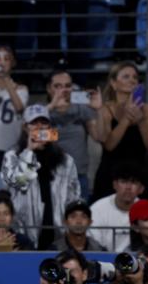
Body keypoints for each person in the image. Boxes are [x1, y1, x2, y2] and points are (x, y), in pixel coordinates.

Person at [1, 104, 80, 250]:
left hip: (58, 233)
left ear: (50, 128)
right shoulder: (11, 156)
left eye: (44, 123)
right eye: (34, 123)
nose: (39, 128)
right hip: (23, 233)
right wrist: (29, 151)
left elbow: (73, 197)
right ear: (25, 127)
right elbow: (18, 183)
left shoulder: (66, 161)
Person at [92, 61, 148, 201]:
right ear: (114, 83)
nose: (132, 80)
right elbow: (109, 145)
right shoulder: (105, 109)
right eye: (126, 77)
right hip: (111, 175)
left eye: (135, 77)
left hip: (138, 175)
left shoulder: (146, 109)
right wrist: (127, 119)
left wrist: (140, 121)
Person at [46, 70, 108, 199]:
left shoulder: (82, 109)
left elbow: (100, 137)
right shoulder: (41, 111)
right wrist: (51, 107)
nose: (64, 90)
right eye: (58, 86)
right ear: (49, 89)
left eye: (68, 86)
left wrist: (99, 109)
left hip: (78, 176)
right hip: (50, 175)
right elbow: (33, 137)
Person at [88, 162, 144, 252]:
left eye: (133, 182)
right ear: (114, 185)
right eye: (124, 182)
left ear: (141, 188)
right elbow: (94, 245)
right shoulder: (97, 209)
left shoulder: (147, 211)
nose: (128, 187)